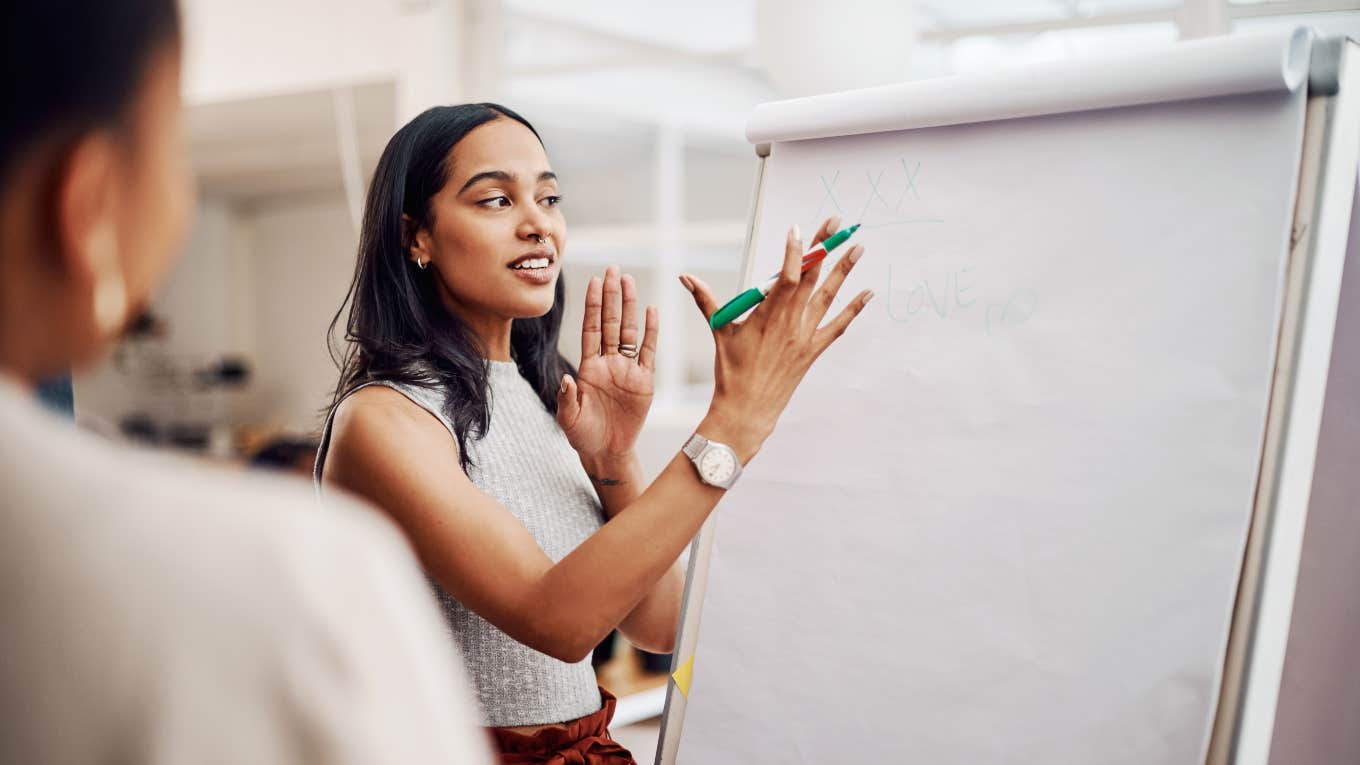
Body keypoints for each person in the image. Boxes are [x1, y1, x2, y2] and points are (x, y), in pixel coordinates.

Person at [0, 2, 491, 762]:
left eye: (549, 196)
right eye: (172, 148)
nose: (537, 225)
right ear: (87, 200)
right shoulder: (301, 579)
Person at [316, 102, 873, 762]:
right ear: (418, 236)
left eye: (549, 197)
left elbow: (659, 622)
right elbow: (557, 621)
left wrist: (614, 461)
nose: (538, 224)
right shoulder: (384, 418)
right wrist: (732, 424)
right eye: (496, 200)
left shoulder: (546, 393)